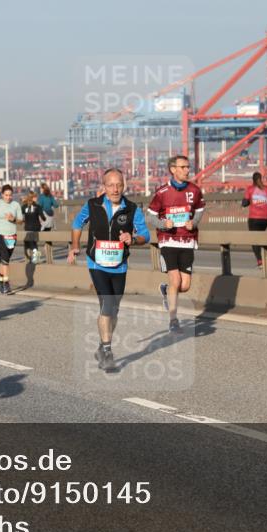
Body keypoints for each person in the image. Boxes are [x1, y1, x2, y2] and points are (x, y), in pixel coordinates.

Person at [68, 168, 150, 371]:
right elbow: (77, 223)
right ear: (103, 187)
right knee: (107, 304)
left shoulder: (132, 209)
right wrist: (75, 245)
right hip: (96, 263)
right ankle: (107, 351)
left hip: (120, 266)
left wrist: (134, 239)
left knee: (114, 309)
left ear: (124, 186)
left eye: (119, 185)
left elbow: (145, 234)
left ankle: (101, 345)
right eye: (111, 185)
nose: (115, 189)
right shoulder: (93, 205)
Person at [148, 155, 205, 334]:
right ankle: (173, 320)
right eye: (183, 167)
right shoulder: (162, 192)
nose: (187, 170)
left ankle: (166, 291)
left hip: (187, 241)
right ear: (173, 169)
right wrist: (163, 224)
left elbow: (200, 209)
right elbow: (150, 216)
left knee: (185, 285)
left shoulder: (195, 190)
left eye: (188, 167)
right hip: (168, 241)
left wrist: (194, 222)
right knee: (176, 280)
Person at [0, 184, 23, 294]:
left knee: (5, 260)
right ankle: (6, 283)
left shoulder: (16, 205)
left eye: (10, 195)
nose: (8, 197)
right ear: (2, 195)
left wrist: (13, 219)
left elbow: (20, 221)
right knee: (5, 257)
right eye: (6, 195)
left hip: (12, 235)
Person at [242, 171, 267, 268]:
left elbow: (244, 203)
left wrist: (249, 201)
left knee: (255, 240)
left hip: (254, 218)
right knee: (263, 238)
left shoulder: (250, 189)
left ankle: (260, 261)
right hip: (265, 218)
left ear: (253, 180)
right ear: (261, 179)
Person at [21, 190, 46, 264]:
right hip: (36, 227)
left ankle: (32, 257)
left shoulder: (24, 206)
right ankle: (36, 257)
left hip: (27, 227)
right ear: (33, 198)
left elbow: (20, 217)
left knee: (30, 242)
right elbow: (43, 218)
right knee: (34, 242)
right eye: (35, 197)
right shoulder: (38, 206)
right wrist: (43, 218)